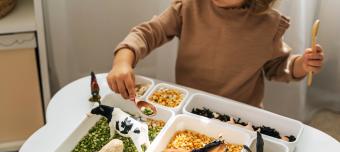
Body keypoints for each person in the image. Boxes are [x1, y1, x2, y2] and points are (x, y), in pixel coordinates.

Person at [107, 0, 324, 107]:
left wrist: (302, 64)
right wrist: (123, 61)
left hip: (242, 115)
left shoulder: (268, 24)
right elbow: (147, 34)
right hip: (190, 106)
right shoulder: (189, 7)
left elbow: (277, 67)